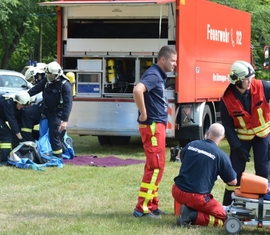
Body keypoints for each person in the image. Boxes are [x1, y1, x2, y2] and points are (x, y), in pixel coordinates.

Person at [133, 45, 177, 219]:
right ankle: (142, 208)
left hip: (156, 125)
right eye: (173, 61)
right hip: (152, 125)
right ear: (163, 60)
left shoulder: (158, 74)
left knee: (158, 165)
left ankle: (152, 205)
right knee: (155, 166)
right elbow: (137, 90)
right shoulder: (153, 74)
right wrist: (144, 113)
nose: (175, 64)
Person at [220, 60, 270, 206]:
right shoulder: (226, 100)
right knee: (234, 173)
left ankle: (264, 206)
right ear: (238, 81)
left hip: (263, 137)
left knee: (263, 170)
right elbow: (228, 127)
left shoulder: (263, 87)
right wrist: (236, 147)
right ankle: (229, 206)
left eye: (250, 79)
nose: (250, 82)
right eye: (247, 80)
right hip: (241, 141)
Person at [172, 123, 237, 227]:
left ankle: (188, 210)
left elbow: (180, 155)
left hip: (177, 191)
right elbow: (233, 181)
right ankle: (191, 216)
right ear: (222, 138)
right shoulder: (221, 155)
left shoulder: (192, 144)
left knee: (194, 202)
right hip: (197, 198)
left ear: (207, 133)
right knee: (225, 218)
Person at [25, 61, 73, 159]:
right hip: (44, 108)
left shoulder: (65, 85)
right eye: (48, 74)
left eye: (50, 75)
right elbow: (37, 88)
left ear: (57, 75)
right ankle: (27, 142)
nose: (48, 76)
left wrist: (65, 121)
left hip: (56, 113)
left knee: (54, 134)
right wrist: (25, 96)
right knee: (27, 113)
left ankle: (57, 157)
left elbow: (68, 104)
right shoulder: (47, 80)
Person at [0, 90, 31, 165]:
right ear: (16, 101)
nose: (21, 107)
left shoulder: (17, 104)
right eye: (21, 105)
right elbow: (12, 121)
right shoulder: (8, 103)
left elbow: (18, 121)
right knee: (7, 136)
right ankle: (3, 160)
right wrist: (20, 138)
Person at [21, 67, 46, 141]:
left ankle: (27, 139)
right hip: (44, 107)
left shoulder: (44, 83)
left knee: (27, 113)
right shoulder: (46, 81)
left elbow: (37, 97)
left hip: (46, 108)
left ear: (37, 75)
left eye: (32, 79)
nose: (32, 82)